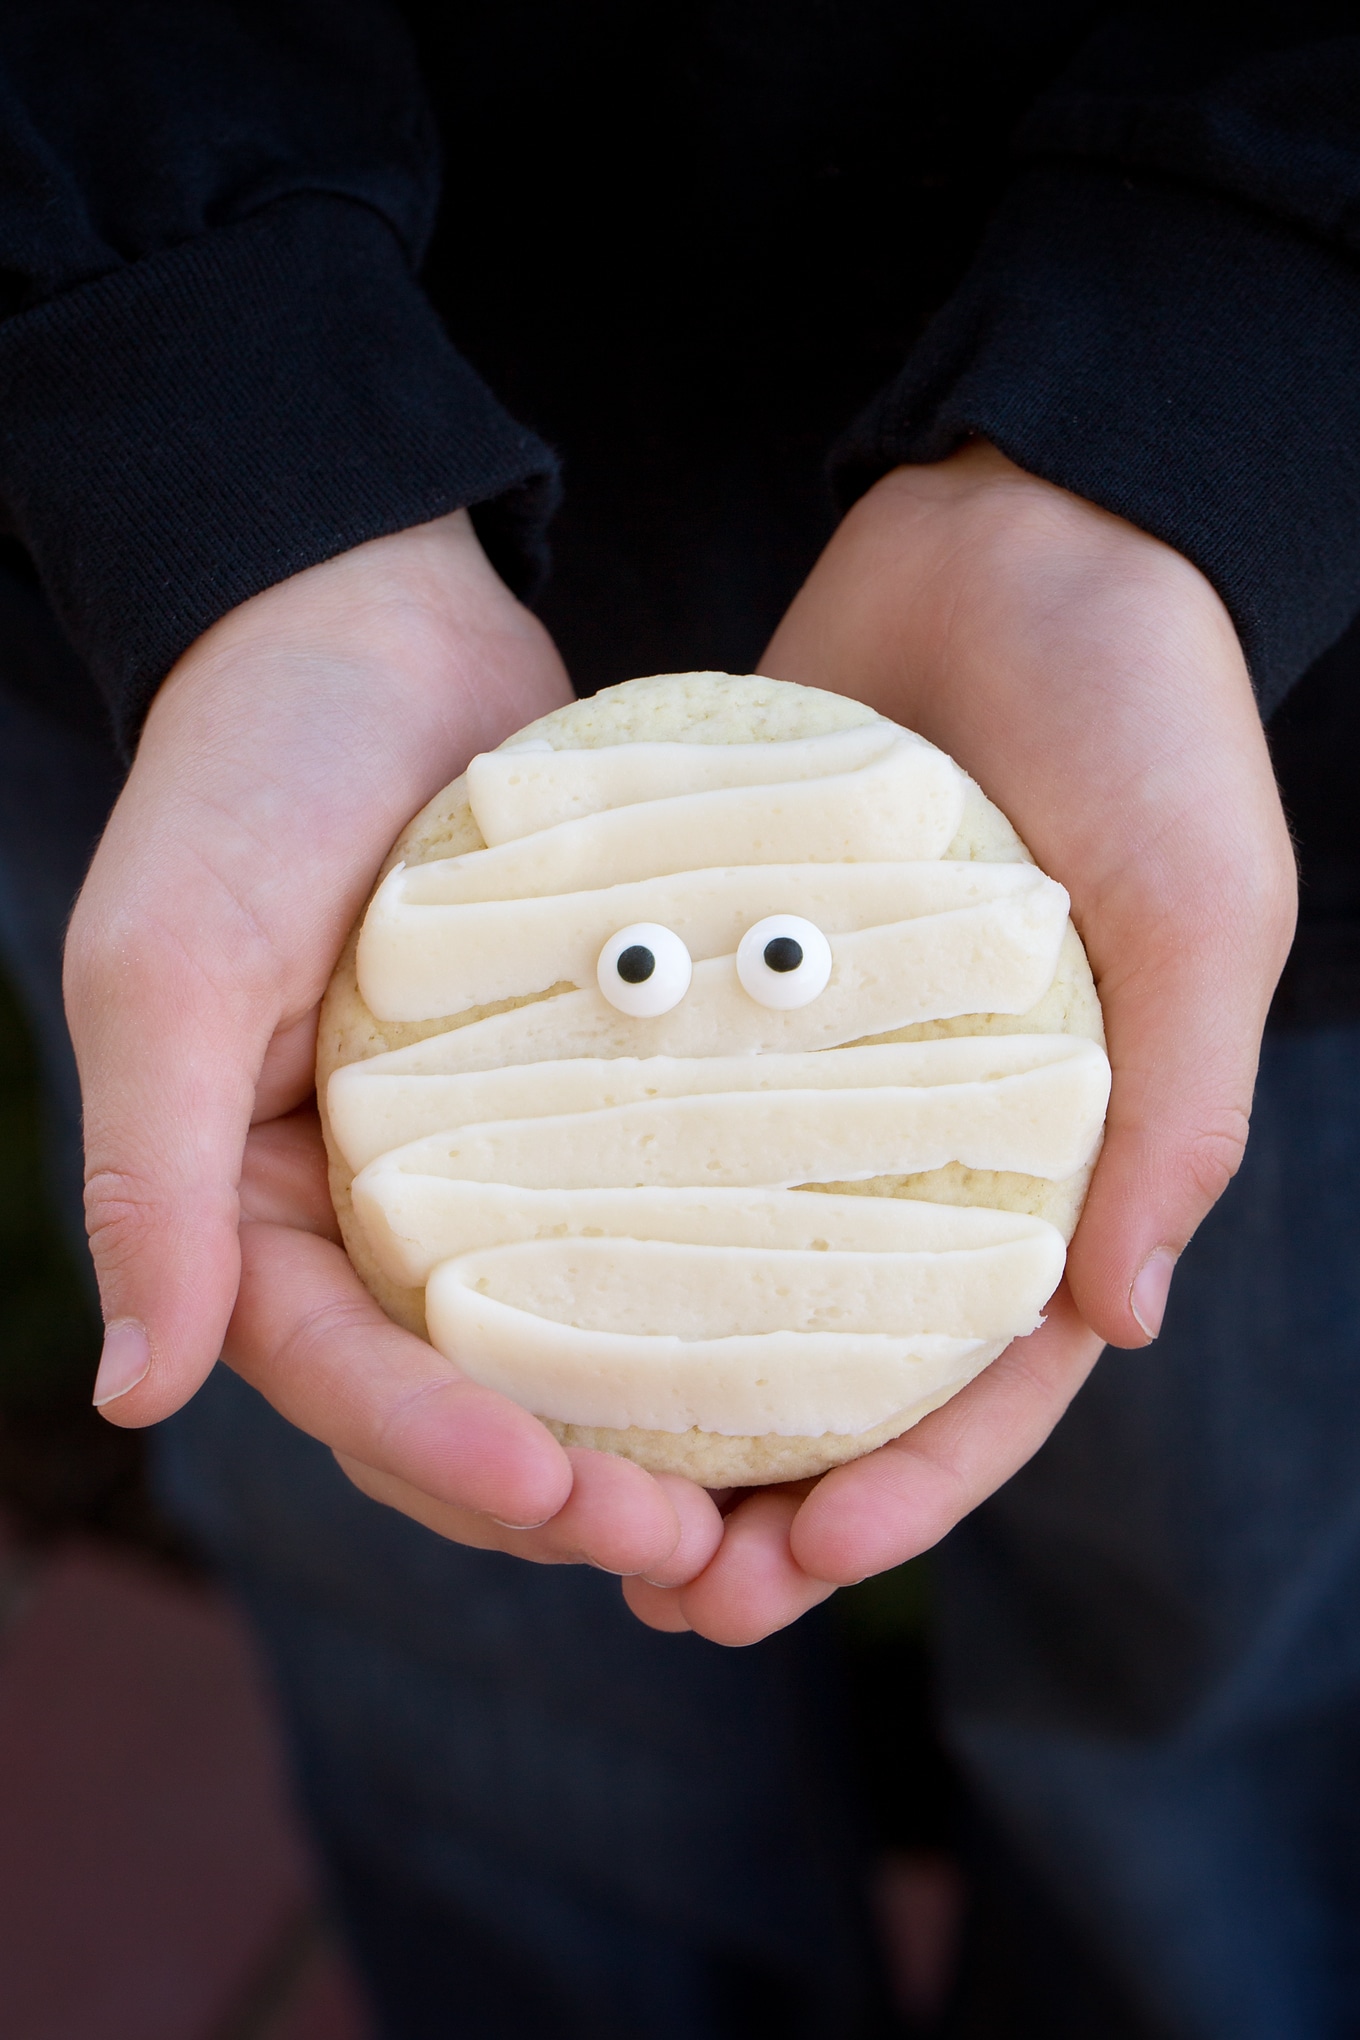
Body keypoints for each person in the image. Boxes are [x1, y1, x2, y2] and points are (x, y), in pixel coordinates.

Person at [0, 4, 1357, 2031]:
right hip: (209, 669)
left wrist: (1216, 342)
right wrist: (221, 411)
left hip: (1222, 695)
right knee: (477, 1701)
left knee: (1208, 1655)